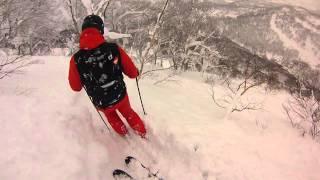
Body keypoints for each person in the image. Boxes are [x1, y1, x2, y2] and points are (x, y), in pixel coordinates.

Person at [68, 15, 146, 137]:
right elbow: (132, 73)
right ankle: (142, 133)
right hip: (119, 94)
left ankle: (124, 135)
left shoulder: (76, 59)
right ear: (100, 30)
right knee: (128, 112)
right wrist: (136, 72)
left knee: (111, 116)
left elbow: (75, 87)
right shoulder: (113, 49)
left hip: (101, 101)